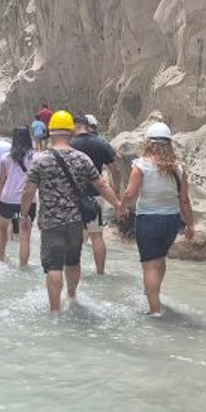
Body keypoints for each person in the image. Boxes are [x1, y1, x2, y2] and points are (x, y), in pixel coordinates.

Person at [22, 110, 124, 312]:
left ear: (50, 132)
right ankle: (72, 297)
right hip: (76, 220)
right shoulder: (82, 158)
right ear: (70, 132)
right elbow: (102, 185)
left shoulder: (41, 160)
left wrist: (24, 214)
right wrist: (119, 205)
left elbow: (29, 190)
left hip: (51, 221)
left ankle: (55, 310)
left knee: (53, 266)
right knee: (73, 260)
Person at [118, 122, 194, 317]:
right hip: (171, 221)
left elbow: (130, 193)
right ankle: (154, 294)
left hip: (148, 220)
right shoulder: (178, 168)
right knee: (159, 259)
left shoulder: (141, 165)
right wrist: (191, 224)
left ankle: (154, 310)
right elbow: (184, 199)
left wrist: (121, 208)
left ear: (148, 143)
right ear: (169, 143)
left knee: (149, 265)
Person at [70, 113, 121, 275]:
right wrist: (115, 189)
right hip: (96, 196)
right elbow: (115, 169)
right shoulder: (101, 143)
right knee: (97, 235)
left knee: (74, 236)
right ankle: (100, 272)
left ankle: (74, 271)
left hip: (73, 197)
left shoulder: (69, 144)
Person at [0, 126, 36, 266]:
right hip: (28, 199)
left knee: (2, 229)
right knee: (25, 236)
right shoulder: (35, 157)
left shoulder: (6, 157)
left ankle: (0, 259)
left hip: (7, 198)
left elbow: (1, 181)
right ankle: (23, 266)